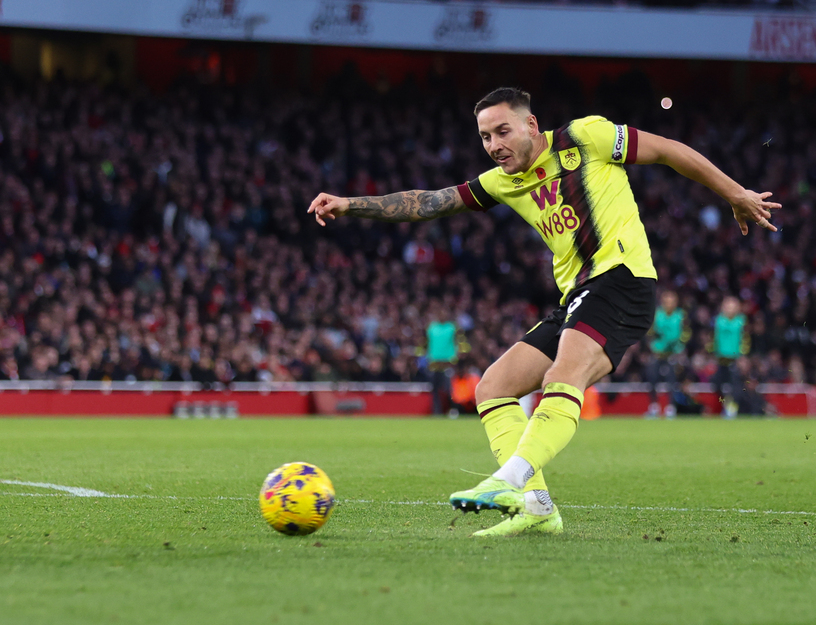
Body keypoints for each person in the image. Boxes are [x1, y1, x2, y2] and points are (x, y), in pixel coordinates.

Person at [307, 87, 780, 537]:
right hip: (575, 297)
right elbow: (431, 203)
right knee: (493, 388)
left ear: (531, 124)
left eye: (503, 131)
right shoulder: (503, 181)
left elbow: (669, 150)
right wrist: (350, 204)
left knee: (562, 378)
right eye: (485, 137)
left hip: (622, 279)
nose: (494, 145)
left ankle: (508, 479)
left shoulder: (585, 137)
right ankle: (535, 507)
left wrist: (735, 193)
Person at [644, 289, 688, 417]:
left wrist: (679, 344)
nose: (669, 304)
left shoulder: (681, 315)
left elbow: (686, 333)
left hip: (674, 354)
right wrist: (652, 346)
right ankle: (653, 406)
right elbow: (649, 332)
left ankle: (671, 407)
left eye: (671, 301)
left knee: (672, 381)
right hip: (658, 353)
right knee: (652, 378)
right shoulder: (657, 314)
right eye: (666, 301)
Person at [712, 296, 747, 416]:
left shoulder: (741, 321)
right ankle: (726, 404)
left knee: (736, 385)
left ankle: (733, 407)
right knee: (716, 384)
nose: (730, 309)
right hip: (721, 359)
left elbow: (745, 340)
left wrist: (743, 356)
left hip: (735, 359)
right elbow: (714, 340)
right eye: (727, 306)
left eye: (732, 307)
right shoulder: (718, 321)